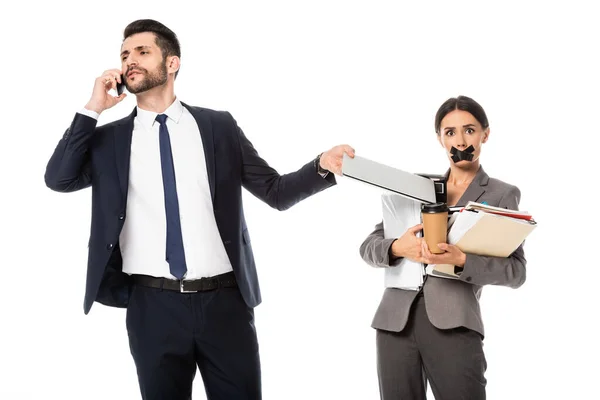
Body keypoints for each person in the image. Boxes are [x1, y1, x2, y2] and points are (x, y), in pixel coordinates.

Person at [44, 19, 354, 400]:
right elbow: (59, 178)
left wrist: (320, 165)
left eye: (142, 52)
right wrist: (93, 108)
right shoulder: (108, 140)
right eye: (124, 55)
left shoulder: (217, 127)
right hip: (151, 306)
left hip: (225, 303)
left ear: (172, 63)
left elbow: (275, 191)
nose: (130, 61)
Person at [359, 95, 526, 399]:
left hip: (454, 323)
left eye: (469, 130)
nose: (460, 140)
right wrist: (398, 247)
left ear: (485, 134)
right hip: (395, 322)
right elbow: (368, 246)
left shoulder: (503, 194)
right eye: (450, 132)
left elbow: (516, 271)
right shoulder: (416, 186)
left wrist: (463, 260)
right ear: (439, 138)